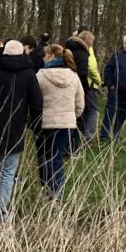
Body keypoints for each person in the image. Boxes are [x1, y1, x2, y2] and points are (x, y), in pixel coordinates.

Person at [0, 40, 42, 227]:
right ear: (22, 54)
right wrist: (36, 125)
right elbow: (36, 102)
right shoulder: (29, 74)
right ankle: (0, 213)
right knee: (7, 170)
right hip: (16, 126)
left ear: (4, 52)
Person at [36, 44, 84, 203]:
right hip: (66, 124)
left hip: (45, 123)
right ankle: (57, 194)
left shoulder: (41, 76)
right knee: (57, 159)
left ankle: (49, 192)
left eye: (45, 55)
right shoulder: (73, 76)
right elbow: (80, 103)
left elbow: (34, 101)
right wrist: (72, 116)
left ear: (51, 57)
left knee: (45, 158)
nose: (43, 58)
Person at [99, 35, 126, 142]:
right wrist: (110, 84)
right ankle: (104, 136)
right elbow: (108, 70)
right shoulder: (116, 56)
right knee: (110, 112)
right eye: (125, 43)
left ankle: (116, 136)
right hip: (114, 89)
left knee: (122, 114)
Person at [77, 29, 101, 144]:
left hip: (78, 83)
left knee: (81, 109)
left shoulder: (73, 49)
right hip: (89, 85)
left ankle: (79, 134)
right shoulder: (88, 50)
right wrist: (98, 81)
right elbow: (91, 67)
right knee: (92, 110)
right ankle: (88, 136)